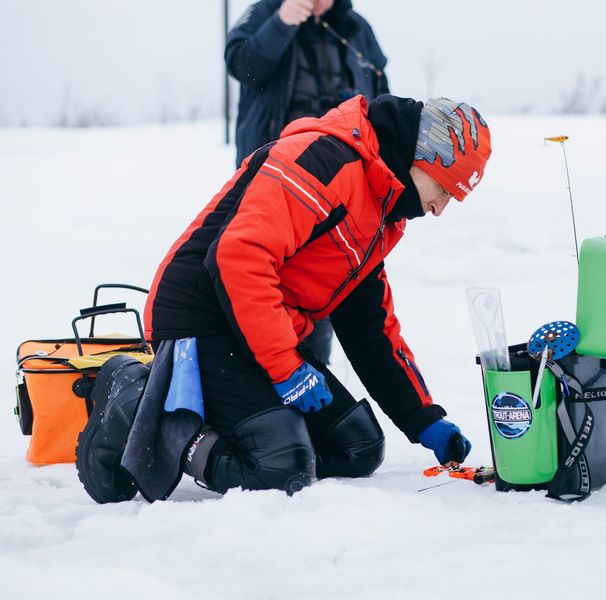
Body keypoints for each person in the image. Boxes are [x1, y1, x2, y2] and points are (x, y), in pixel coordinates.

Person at [75, 95, 492, 503]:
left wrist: (423, 419)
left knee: (357, 447)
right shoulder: (324, 160)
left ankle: (243, 428)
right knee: (279, 468)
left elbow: (368, 327)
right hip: (201, 316)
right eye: (445, 189)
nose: (440, 208)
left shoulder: (379, 211)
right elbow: (239, 258)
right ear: (423, 158)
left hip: (259, 330)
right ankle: (140, 403)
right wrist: (286, 369)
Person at [227, 0, 389, 365]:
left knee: (325, 275)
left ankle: (314, 369)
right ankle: (267, 366)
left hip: (342, 182)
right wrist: (281, 23)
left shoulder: (355, 27)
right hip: (274, 177)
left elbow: (380, 93)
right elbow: (243, 67)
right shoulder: (265, 14)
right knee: (261, 271)